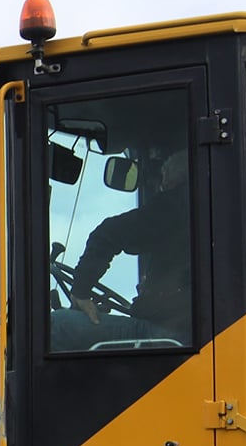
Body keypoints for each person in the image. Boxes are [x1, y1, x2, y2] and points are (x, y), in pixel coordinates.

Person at [59, 146, 192, 345]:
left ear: (173, 180)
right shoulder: (199, 210)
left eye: (162, 179)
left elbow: (107, 234)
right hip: (180, 330)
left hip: (166, 334)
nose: (159, 187)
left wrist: (80, 291)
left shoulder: (175, 206)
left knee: (56, 326)